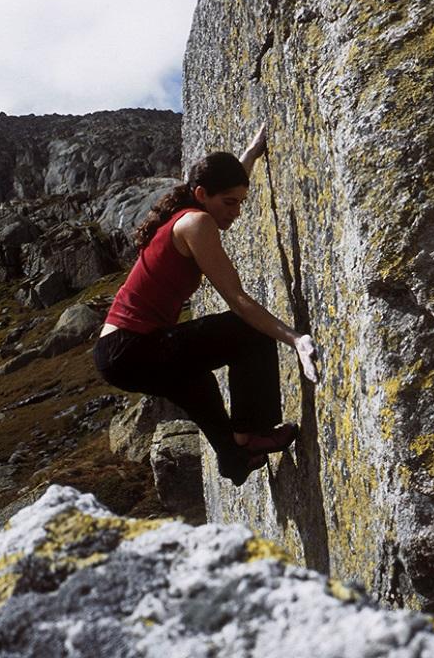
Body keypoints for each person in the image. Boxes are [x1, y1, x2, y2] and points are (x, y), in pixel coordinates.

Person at [94, 125, 319, 486]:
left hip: (118, 353)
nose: (237, 212)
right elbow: (239, 300)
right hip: (133, 347)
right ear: (202, 194)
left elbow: (224, 185)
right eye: (230, 203)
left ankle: (236, 456)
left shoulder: (187, 210)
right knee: (247, 330)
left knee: (199, 387)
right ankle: (252, 434)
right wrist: (295, 339)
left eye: (242, 202)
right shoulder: (196, 223)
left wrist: (250, 152)